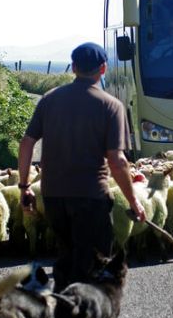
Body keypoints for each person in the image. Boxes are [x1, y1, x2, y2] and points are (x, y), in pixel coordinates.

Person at [17, 42, 146, 292]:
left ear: (74, 67)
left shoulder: (50, 99)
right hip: (90, 197)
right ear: (104, 69)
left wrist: (24, 187)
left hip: (53, 195)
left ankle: (65, 313)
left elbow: (26, 143)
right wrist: (134, 201)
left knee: (67, 257)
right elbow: (117, 162)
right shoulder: (111, 106)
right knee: (94, 265)